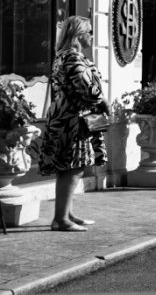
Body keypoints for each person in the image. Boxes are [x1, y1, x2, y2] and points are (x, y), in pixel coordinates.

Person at [39, 16, 108, 231]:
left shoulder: (63, 56)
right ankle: (60, 219)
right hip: (72, 119)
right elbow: (88, 90)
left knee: (69, 167)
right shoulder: (72, 58)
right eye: (89, 32)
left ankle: (66, 214)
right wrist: (103, 100)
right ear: (78, 35)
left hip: (65, 116)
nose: (92, 36)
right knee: (73, 167)